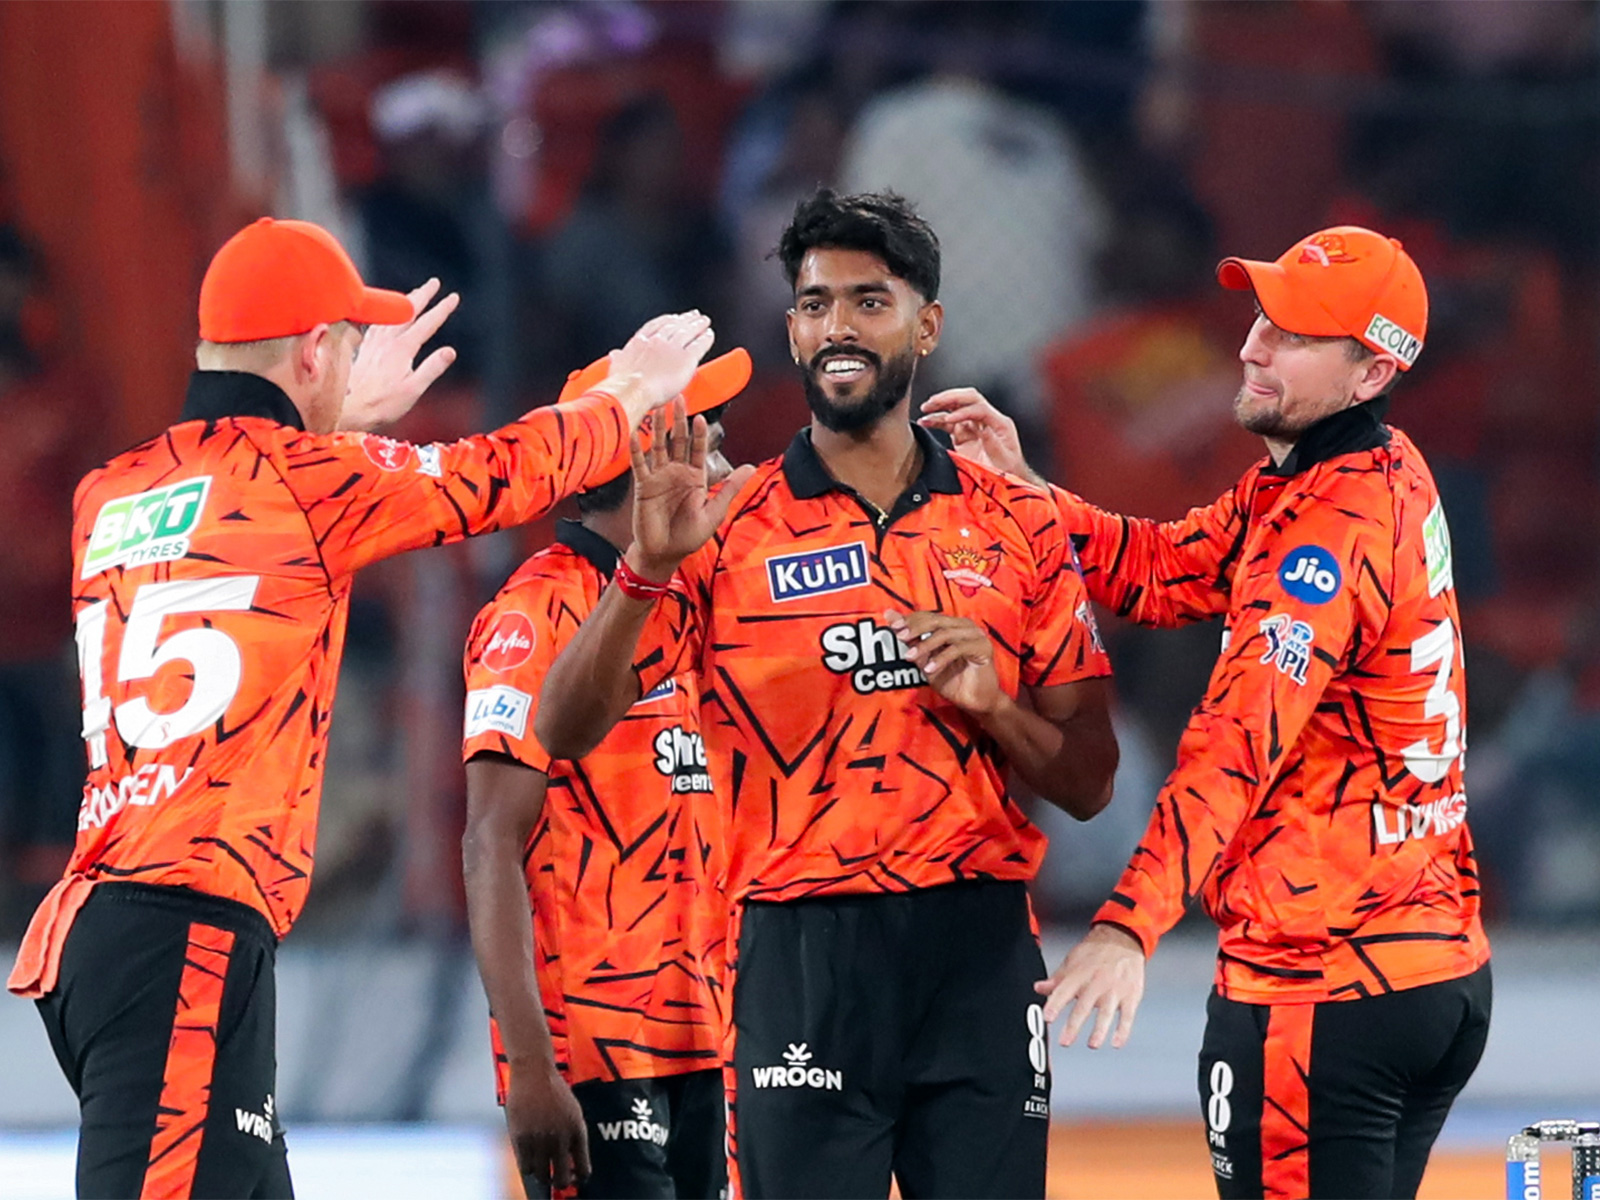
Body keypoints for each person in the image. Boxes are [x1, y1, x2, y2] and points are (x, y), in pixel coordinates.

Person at [5, 215, 715, 1199]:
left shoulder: (109, 494)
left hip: (122, 929)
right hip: (185, 936)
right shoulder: (315, 483)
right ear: (310, 351)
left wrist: (331, 425)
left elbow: (243, 530)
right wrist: (627, 391)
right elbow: (498, 478)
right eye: (343, 344)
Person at [534, 189, 1119, 1200]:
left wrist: (995, 706)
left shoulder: (1018, 524)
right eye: (813, 306)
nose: (837, 329)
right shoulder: (729, 524)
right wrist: (643, 571)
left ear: (926, 325)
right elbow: (562, 728)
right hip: (796, 952)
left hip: (975, 953)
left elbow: (1090, 779)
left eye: (868, 301)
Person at [921, 226, 1491, 1200]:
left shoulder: (1322, 532)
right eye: (1263, 318)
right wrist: (1022, 495)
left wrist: (1126, 926)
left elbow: (1235, 744)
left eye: (1297, 336)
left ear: (1371, 372)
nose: (1252, 346)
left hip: (1320, 984)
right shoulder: (1366, 472)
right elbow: (1163, 567)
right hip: (1427, 962)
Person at [461, 349, 749, 1199]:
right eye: (712, 447)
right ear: (647, 458)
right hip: (593, 1055)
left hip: (709, 1045)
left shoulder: (697, 601)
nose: (728, 470)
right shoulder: (533, 612)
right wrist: (530, 1071)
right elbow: (489, 843)